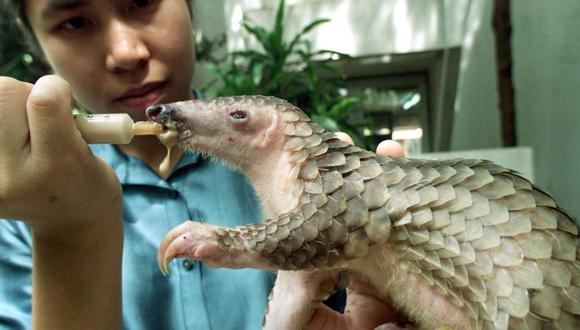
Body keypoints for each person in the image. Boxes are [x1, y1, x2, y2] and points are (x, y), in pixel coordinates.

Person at [0, 0, 405, 329]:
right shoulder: (19, 212)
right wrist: (68, 232)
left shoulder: (291, 159)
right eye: (74, 23)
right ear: (36, 44)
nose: (127, 53)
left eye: (141, 2)